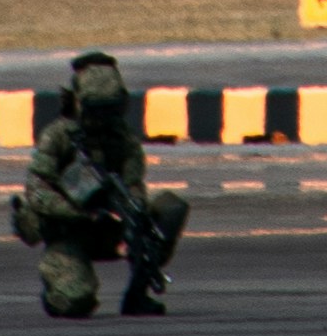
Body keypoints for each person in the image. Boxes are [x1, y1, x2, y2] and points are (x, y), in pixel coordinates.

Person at [12, 45, 192, 320]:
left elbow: (134, 182)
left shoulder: (123, 139)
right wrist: (81, 214)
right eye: (97, 111)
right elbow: (37, 191)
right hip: (69, 231)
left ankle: (137, 294)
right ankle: (57, 282)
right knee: (75, 302)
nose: (104, 120)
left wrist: (134, 210)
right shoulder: (58, 136)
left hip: (109, 227)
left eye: (111, 110)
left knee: (167, 212)